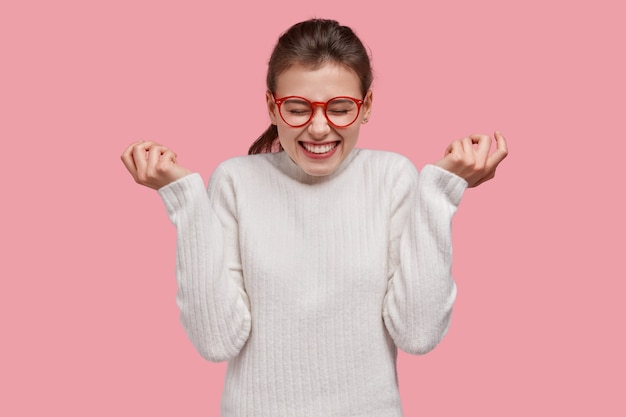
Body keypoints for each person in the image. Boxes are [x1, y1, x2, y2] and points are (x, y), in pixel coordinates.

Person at [121, 18, 507, 417]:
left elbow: (418, 333)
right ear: (272, 106)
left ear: (367, 106)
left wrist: (440, 193)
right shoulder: (236, 181)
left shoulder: (392, 178)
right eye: (297, 109)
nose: (319, 128)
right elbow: (216, 341)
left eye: (340, 109)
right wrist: (185, 200)